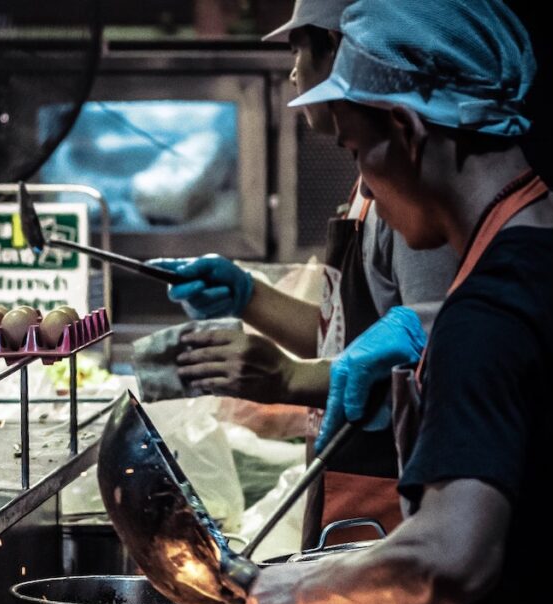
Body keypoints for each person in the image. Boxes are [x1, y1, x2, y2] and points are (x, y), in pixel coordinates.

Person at [242, 1, 553, 604]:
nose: (367, 189)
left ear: (408, 132)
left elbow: (452, 557)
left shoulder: (486, 315)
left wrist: (304, 588)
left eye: (358, 154)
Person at [150, 0, 458, 548]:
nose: (292, 71)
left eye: (298, 49)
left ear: (343, 53)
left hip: (388, 487)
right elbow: (343, 339)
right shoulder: (368, 188)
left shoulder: (410, 194)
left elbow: (436, 359)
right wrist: (247, 297)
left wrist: (289, 379)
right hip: (343, 471)